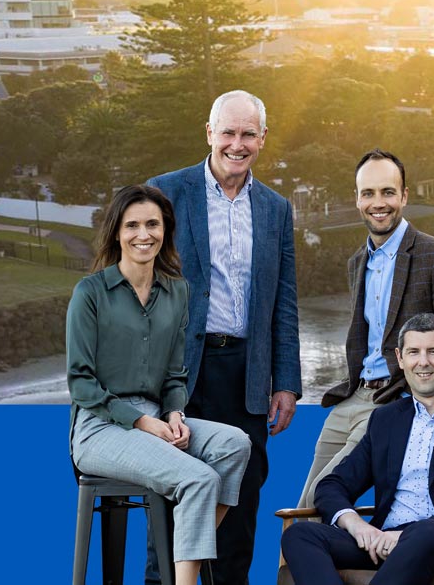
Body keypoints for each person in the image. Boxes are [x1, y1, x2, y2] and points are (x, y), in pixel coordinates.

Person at [148, 89, 301, 584]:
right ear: (209, 133)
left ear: (262, 139)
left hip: (248, 376)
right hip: (182, 374)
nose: (238, 144)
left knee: (242, 502)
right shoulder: (167, 193)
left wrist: (287, 383)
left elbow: (284, 301)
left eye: (248, 134)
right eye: (229, 133)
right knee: (175, 499)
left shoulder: (276, 209)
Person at [68, 184, 251, 585]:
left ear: (165, 230)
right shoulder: (90, 293)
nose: (143, 234)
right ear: (117, 232)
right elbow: (80, 382)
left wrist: (174, 413)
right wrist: (142, 422)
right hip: (100, 428)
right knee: (199, 478)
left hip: (157, 417)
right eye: (132, 225)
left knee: (235, 444)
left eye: (152, 224)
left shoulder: (177, 292)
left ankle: (180, 561)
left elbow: (174, 374)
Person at [296, 149, 434, 511]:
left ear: (405, 196)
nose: (378, 203)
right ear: (357, 199)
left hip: (394, 401)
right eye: (368, 193)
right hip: (354, 397)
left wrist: (413, 399)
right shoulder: (356, 263)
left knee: (321, 500)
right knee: (302, 507)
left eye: (388, 192)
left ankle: (308, 565)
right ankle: (297, 568)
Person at [281, 314, 434, 585]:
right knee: (299, 535)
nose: (423, 362)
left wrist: (407, 536)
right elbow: (333, 484)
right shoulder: (386, 419)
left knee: (425, 532)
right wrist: (356, 525)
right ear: (400, 359)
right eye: (413, 352)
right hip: (383, 540)